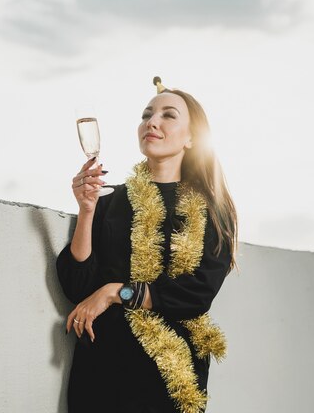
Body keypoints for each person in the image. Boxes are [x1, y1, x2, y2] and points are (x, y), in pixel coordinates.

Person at [56, 77, 238, 413]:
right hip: (101, 371)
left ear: (192, 138)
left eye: (168, 115)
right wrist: (86, 210)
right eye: (146, 115)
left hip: (167, 380)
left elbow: (195, 294)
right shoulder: (108, 201)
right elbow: (77, 285)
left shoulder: (212, 210)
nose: (151, 122)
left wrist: (115, 291)